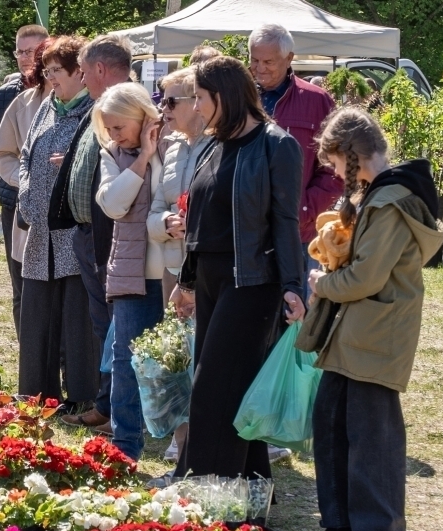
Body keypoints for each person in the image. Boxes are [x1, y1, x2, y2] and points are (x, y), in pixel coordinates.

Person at [307, 106, 443, 531]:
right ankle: (343, 521)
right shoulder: (378, 195)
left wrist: (322, 284)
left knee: (372, 434)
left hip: (377, 329)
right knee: (332, 420)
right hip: (358, 329)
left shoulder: (389, 202)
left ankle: (380, 530)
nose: (332, 172)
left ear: (349, 155)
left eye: (333, 161)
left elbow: (367, 277)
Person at [165, 56, 305, 483]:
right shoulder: (214, 144)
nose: (197, 108)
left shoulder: (277, 145)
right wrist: (187, 282)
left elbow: (285, 221)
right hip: (211, 280)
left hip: (252, 283)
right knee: (230, 387)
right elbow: (201, 221)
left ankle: (201, 486)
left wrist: (293, 285)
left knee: (214, 388)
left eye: (201, 98)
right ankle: (248, 488)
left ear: (223, 96)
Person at [50, 33, 133, 429]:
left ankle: (115, 408)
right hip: (90, 233)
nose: (81, 79)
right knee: (105, 323)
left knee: (116, 325)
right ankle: (108, 403)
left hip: (111, 236)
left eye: (84, 72)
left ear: (100, 69)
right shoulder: (101, 106)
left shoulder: (128, 108)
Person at [17, 35, 98, 405]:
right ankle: (36, 392)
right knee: (37, 314)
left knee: (78, 319)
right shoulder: (47, 107)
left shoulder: (94, 111)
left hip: (74, 229)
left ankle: (82, 395)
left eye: (56, 71)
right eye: (46, 71)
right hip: (40, 230)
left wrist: (71, 164)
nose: (50, 78)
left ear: (79, 73)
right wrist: (25, 191)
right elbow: (25, 155)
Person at [93, 83, 171, 460]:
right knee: (125, 361)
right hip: (131, 273)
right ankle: (124, 448)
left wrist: (155, 153)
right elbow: (112, 204)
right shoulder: (112, 153)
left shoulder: (175, 144)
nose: (113, 134)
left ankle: (179, 443)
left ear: (142, 116)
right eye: (108, 128)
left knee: (176, 360)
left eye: (119, 126)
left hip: (173, 272)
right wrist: (142, 160)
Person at [248, 24, 342, 289]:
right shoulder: (240, 98)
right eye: (254, 60)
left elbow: (335, 167)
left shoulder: (316, 100)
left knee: (296, 309)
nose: (260, 68)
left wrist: (303, 209)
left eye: (268, 61)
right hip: (248, 234)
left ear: (289, 58)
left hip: (298, 234)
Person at [147, 67, 209, 461]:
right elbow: (154, 210)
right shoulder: (170, 148)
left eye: (171, 101)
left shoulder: (217, 147)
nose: (163, 109)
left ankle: (204, 436)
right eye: (161, 100)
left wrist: (195, 224)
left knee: (205, 354)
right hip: (173, 266)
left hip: (207, 268)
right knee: (177, 354)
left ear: (197, 103)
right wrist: (165, 223)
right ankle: (180, 434)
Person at [0, 26, 52, 340]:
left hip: (59, 209)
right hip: (15, 200)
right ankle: (29, 350)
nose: (25, 58)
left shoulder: (71, 95)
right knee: (21, 285)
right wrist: (22, 178)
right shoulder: (8, 96)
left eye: (32, 51)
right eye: (20, 51)